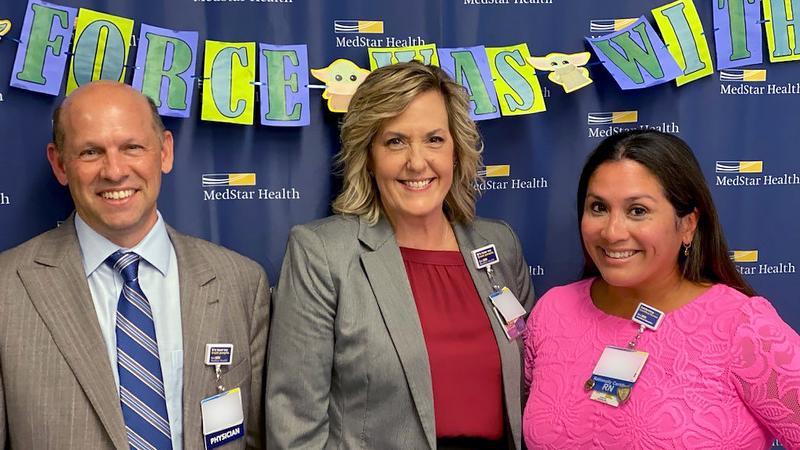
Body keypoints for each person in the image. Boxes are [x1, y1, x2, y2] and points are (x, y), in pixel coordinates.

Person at [266, 61, 535, 450]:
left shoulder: (499, 244)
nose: (417, 161)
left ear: (456, 150)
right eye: (395, 141)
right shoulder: (322, 253)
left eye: (434, 140)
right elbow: (294, 424)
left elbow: (532, 383)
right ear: (369, 156)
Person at [0, 81, 269, 450]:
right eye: (91, 152)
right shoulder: (7, 290)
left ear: (164, 152)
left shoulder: (240, 283)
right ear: (60, 164)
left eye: (132, 147)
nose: (114, 171)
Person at [522, 130, 800, 449]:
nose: (612, 232)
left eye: (637, 210)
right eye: (598, 207)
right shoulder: (553, 312)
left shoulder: (741, 327)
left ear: (687, 224)